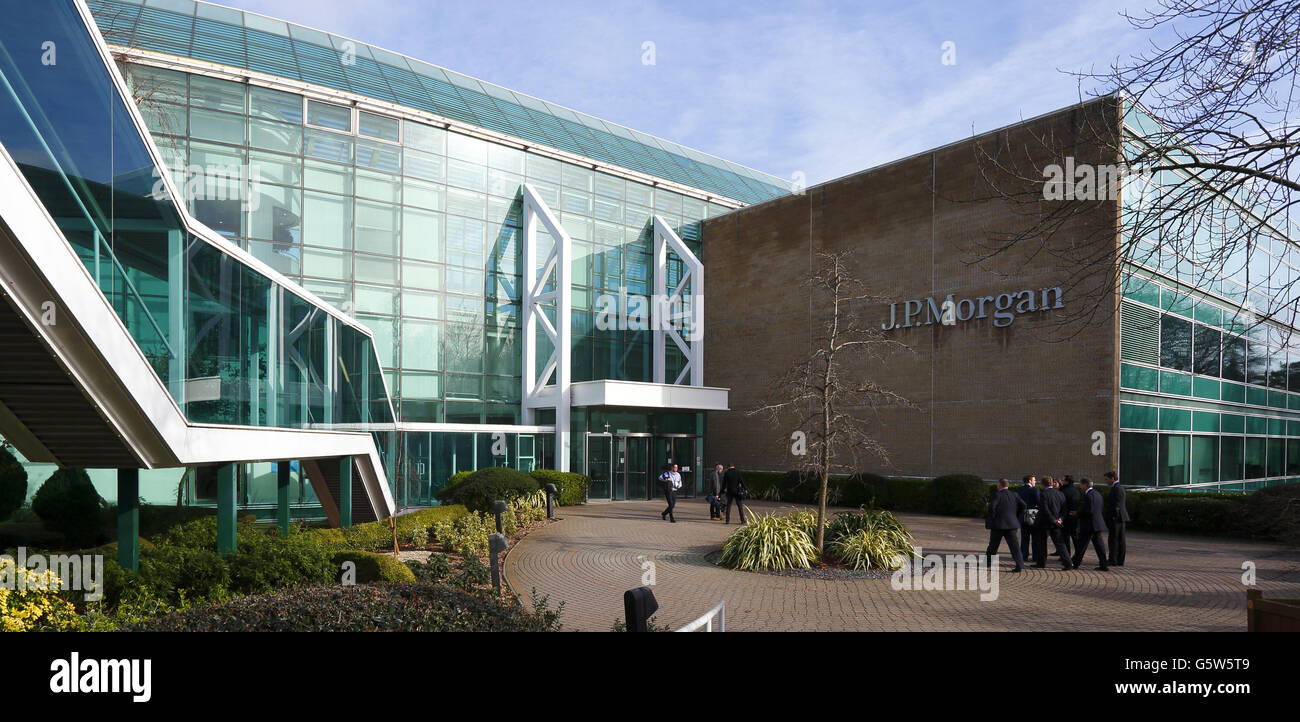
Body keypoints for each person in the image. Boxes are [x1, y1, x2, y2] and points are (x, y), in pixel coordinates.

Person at [985, 478, 1026, 573]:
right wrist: (1016, 516)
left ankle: (987, 562)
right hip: (1012, 525)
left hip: (998, 525)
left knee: (993, 545)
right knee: (1014, 546)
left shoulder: (997, 494)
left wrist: (993, 517)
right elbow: (1023, 505)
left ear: (999, 485)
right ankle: (1019, 565)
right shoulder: (1014, 495)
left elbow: (992, 507)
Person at [1070, 478, 1109, 571]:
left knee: (1081, 545)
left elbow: (1089, 510)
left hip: (1089, 525)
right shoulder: (1097, 494)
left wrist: (1077, 513)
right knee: (1099, 546)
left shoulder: (1089, 495)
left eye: (1081, 485)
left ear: (1084, 485)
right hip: (1097, 523)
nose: (1080, 487)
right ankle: (1104, 564)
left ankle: (1075, 563)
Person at [1038, 477, 1073, 569]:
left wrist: (1053, 519)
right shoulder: (1060, 493)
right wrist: (1060, 519)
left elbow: (1045, 509)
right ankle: (1068, 563)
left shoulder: (1044, 494)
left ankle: (1041, 563)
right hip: (1057, 523)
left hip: (1045, 523)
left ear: (1043, 484)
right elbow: (1064, 508)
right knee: (1060, 543)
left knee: (1042, 543)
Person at [1104, 470, 1129, 566]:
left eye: (1107, 479)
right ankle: (1119, 560)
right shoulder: (1119, 487)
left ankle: (1113, 560)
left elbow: (1116, 504)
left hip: (1117, 518)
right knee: (1120, 539)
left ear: (1112, 478)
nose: (1106, 481)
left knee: (1114, 539)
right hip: (1121, 517)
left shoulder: (1116, 488)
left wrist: (1113, 516)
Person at [1015, 475, 1041, 564]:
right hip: (1033, 515)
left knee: (1024, 537)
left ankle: (1024, 555)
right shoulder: (1035, 490)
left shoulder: (1019, 490)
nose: (1035, 481)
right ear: (1030, 481)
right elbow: (1039, 502)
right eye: (1034, 480)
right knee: (1035, 537)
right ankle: (1035, 556)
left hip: (1022, 515)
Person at [1059, 475, 1080, 558]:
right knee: (1075, 537)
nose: (1062, 481)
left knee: (1065, 537)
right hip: (1074, 517)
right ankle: (1078, 554)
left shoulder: (1064, 491)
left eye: (1063, 480)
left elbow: (1062, 504)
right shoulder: (1076, 490)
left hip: (1066, 516)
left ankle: (1066, 555)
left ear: (1067, 481)